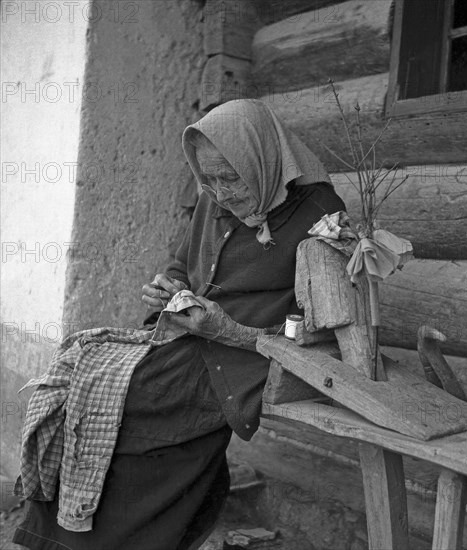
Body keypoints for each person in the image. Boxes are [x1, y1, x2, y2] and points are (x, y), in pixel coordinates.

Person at [13, 98, 345, 550]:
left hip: (247, 355)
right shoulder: (214, 198)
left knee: (133, 399)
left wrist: (231, 331)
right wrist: (166, 287)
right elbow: (182, 264)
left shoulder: (320, 213)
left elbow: (324, 328)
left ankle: (109, 538)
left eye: (230, 177)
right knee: (80, 371)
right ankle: (66, 535)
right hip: (190, 338)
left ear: (261, 158)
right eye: (206, 178)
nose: (219, 192)